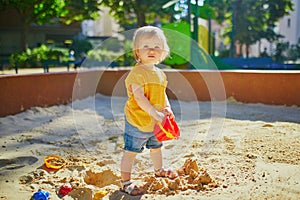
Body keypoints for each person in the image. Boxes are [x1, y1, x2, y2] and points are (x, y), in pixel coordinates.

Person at [120, 26, 178, 196]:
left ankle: (159, 169)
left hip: (155, 122)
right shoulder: (137, 74)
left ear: (163, 51)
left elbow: (162, 94)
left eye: (156, 46)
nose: (152, 50)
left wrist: (167, 108)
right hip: (137, 121)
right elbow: (140, 98)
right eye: (146, 46)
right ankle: (126, 182)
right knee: (131, 151)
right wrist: (156, 114)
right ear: (137, 51)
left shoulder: (160, 74)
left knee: (156, 147)